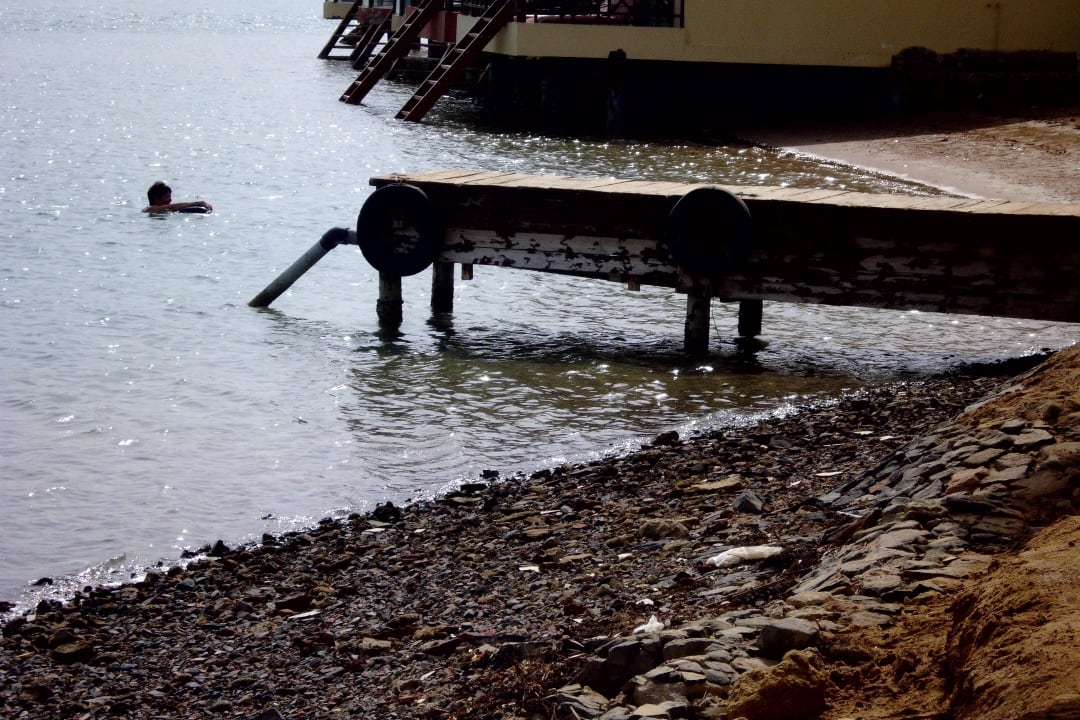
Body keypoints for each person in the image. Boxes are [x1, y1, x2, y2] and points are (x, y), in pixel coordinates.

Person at [142, 181, 212, 214]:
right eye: (167, 197)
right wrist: (197, 203)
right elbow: (171, 207)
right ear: (156, 198)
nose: (170, 200)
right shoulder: (150, 209)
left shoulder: (165, 210)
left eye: (170, 197)